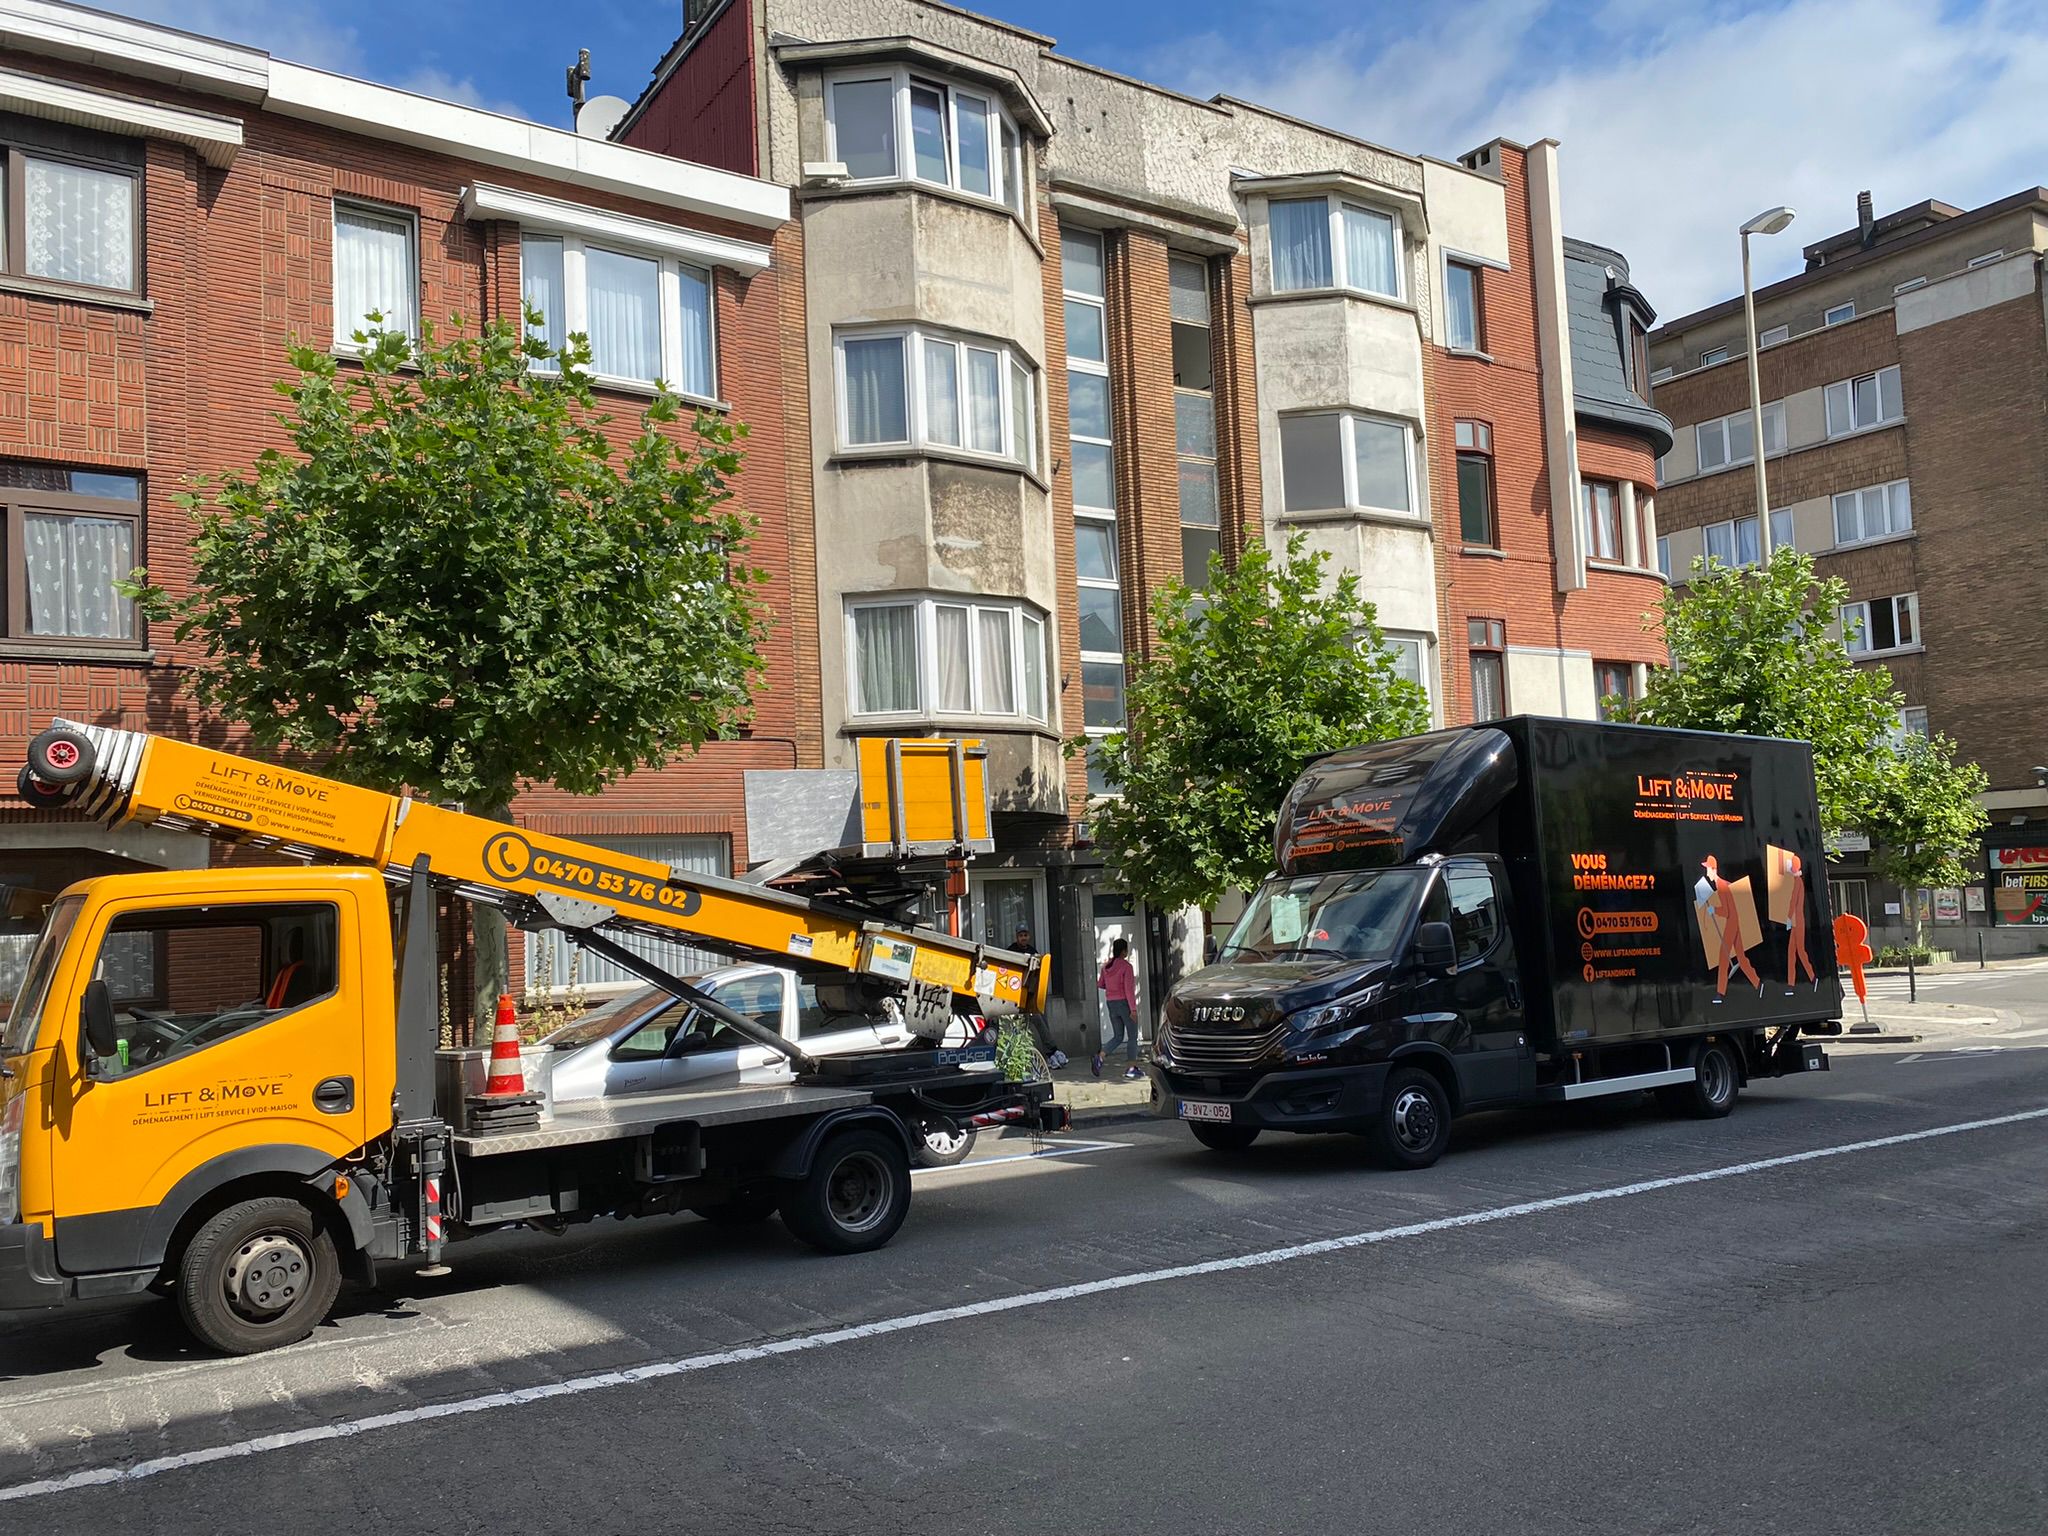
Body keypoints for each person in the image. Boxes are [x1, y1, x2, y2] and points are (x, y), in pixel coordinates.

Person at [1011, 923, 1066, 1070]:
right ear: (1017, 937)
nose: (1023, 938)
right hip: (1016, 997)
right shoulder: (1011, 951)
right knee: (1034, 1020)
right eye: (1021, 935)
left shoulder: (1032, 951)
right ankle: (1052, 1052)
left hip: (1031, 993)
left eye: (1025, 935)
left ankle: (1050, 1055)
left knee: (1042, 1019)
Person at [1096, 937, 1142, 1080]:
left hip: (1111, 1003)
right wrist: (1133, 1010)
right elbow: (1129, 990)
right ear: (1124, 951)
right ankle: (1131, 1067)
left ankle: (1100, 1056)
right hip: (1124, 1003)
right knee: (1133, 1036)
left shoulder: (1107, 966)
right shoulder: (1126, 967)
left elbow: (1100, 984)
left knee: (1118, 1036)